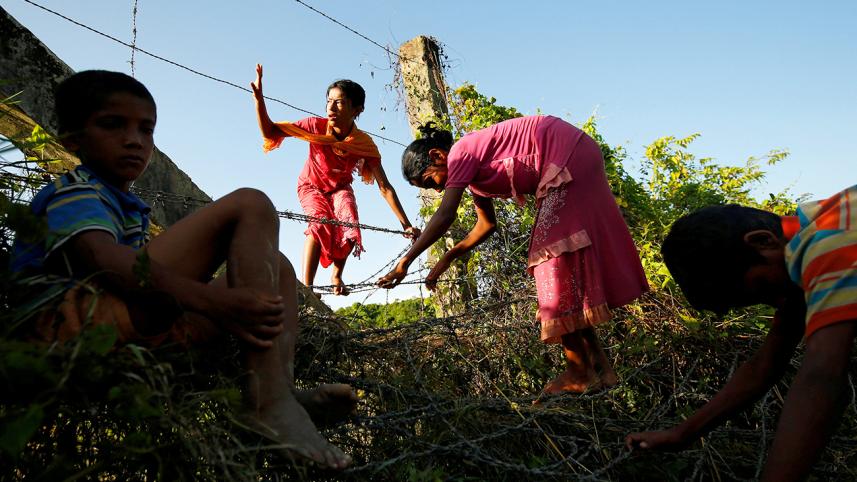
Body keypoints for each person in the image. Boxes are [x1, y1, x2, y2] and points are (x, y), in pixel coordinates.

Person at [9, 70, 355, 469]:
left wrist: (219, 302)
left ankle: (278, 388)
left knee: (277, 266)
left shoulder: (126, 206)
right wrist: (213, 301)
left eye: (146, 129)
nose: (134, 139)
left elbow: (141, 279)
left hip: (128, 338)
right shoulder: (76, 190)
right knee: (250, 203)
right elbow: (105, 262)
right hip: (65, 333)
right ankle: (269, 404)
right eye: (112, 124)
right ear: (72, 140)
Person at [377, 116, 649, 394]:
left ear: (437, 155)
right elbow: (486, 225)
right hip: (575, 153)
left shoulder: (461, 152)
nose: (436, 190)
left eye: (430, 181)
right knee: (562, 264)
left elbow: (445, 215)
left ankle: (579, 371)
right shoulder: (472, 175)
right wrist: (448, 258)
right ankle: (602, 370)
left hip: (565, 154)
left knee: (548, 258)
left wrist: (405, 263)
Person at [625, 191, 857, 481]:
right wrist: (682, 434)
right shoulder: (811, 236)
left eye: (764, 291)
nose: (775, 304)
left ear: (763, 241)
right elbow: (765, 366)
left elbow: (821, 376)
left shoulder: (828, 244)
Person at [250, 64, 420, 296]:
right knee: (320, 223)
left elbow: (385, 187)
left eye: (339, 102)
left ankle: (337, 275)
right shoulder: (315, 126)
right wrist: (259, 100)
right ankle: (306, 290)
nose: (331, 107)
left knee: (350, 224)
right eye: (328, 100)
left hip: (340, 187)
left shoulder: (363, 143)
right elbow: (270, 132)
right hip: (311, 186)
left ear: (356, 109)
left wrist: (406, 225)